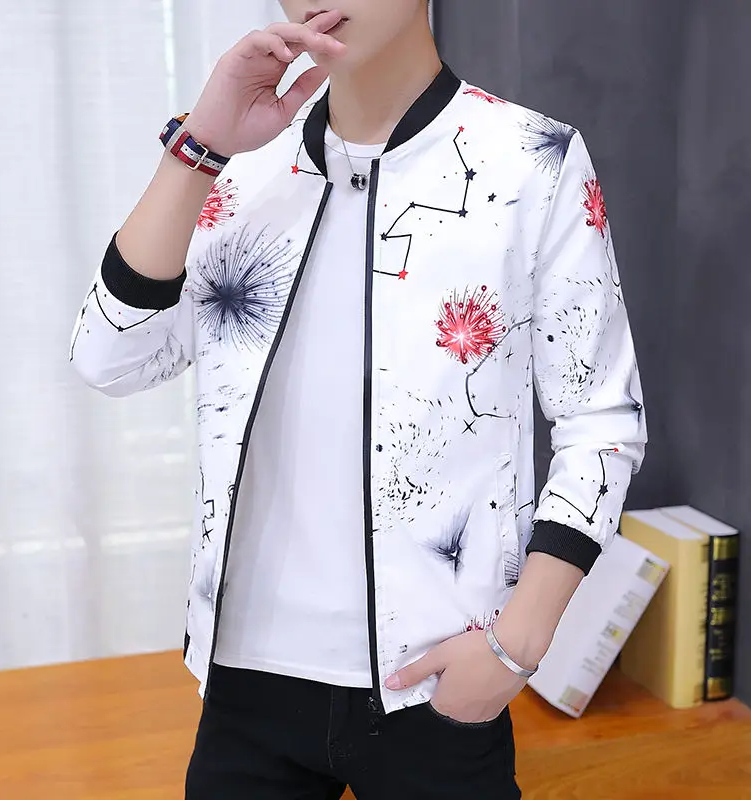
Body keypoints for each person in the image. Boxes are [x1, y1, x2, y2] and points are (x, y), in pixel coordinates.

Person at [70, 1, 647, 797]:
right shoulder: (243, 162)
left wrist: (516, 646)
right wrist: (197, 149)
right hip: (245, 681)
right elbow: (111, 360)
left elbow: (601, 421)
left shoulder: (527, 159)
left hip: (434, 684)